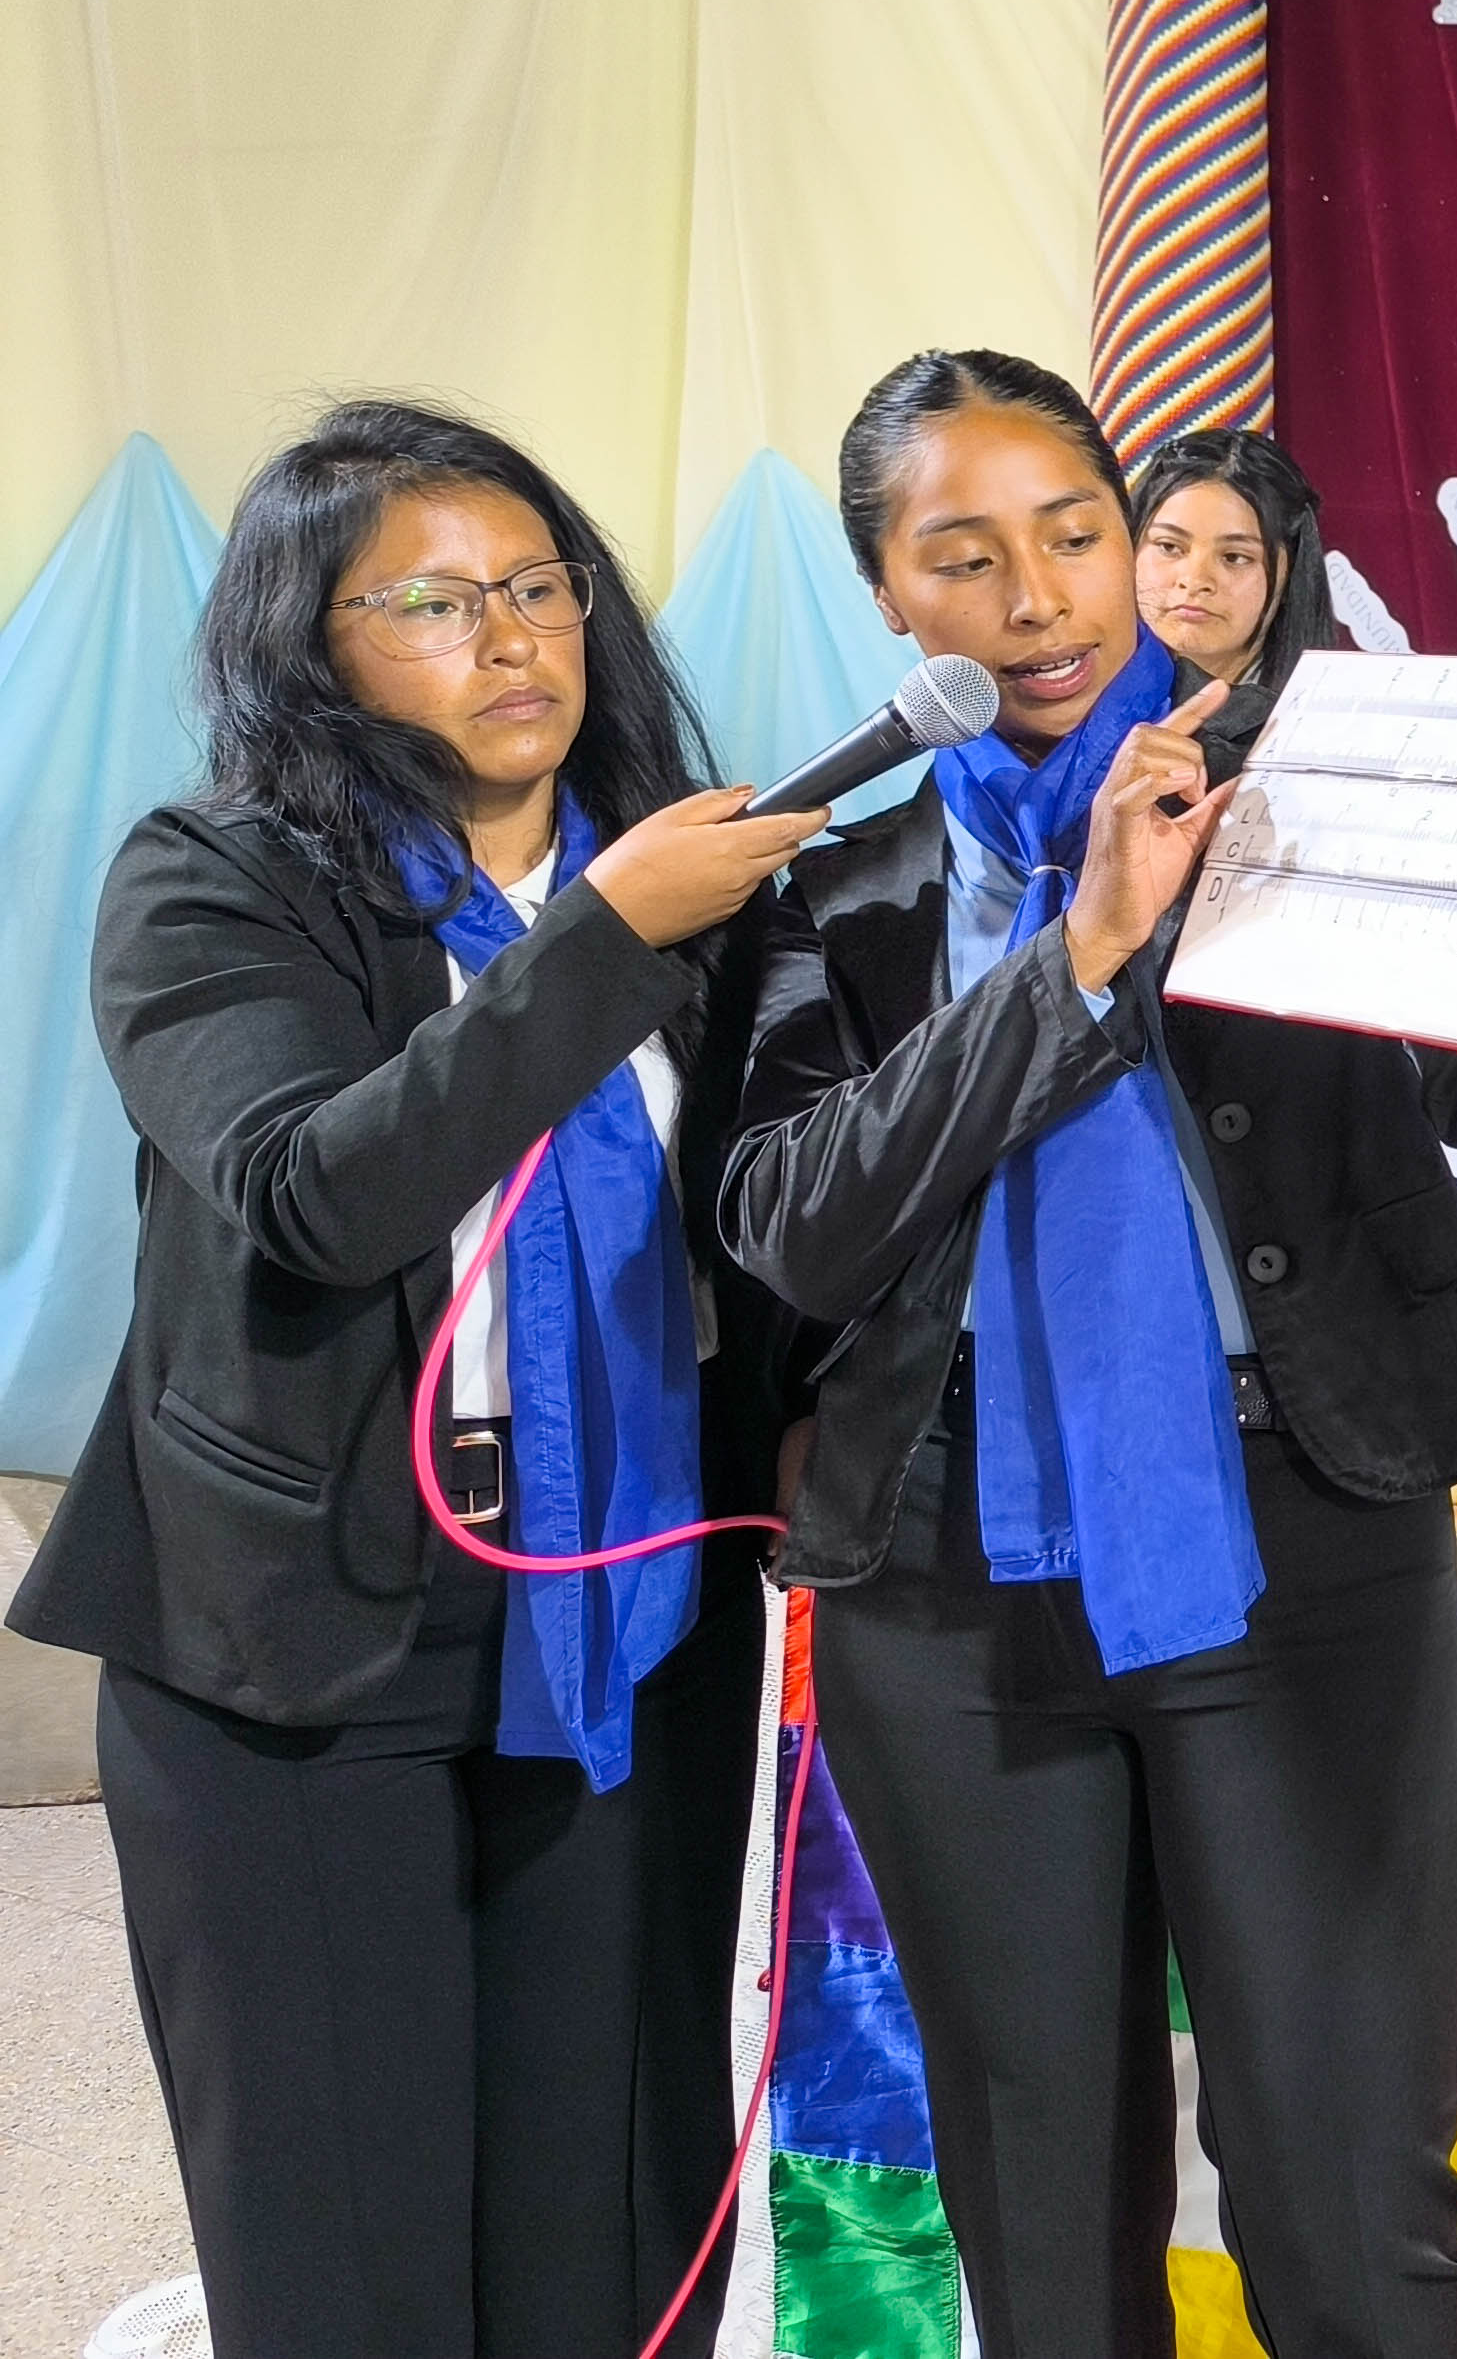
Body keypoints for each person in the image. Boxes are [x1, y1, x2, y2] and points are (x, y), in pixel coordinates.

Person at [721, 348, 1457, 2359]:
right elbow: (802, 1220)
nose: (1038, 599)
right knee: (1044, 2219)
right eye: (963, 557)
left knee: (1351, 2210)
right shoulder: (832, 890)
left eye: (1075, 535)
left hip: (1304, 1549)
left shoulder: (1291, 823)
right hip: (951, 1586)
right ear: (890, 599)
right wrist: (1076, 951)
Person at [10, 399, 822, 2358]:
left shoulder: (700, 886)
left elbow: (777, 1222)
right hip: (307, 1640)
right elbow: (322, 1190)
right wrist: (602, 940)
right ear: (312, 645)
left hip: (626, 1614)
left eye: (539, 585)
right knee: (348, 2259)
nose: (511, 635)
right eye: (435, 602)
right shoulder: (212, 885)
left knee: (603, 2231)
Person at [1130, 421, 1345, 697]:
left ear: (1290, 571)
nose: (1195, 580)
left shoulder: (1332, 716)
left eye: (1234, 557)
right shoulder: (1079, 707)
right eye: (1169, 547)